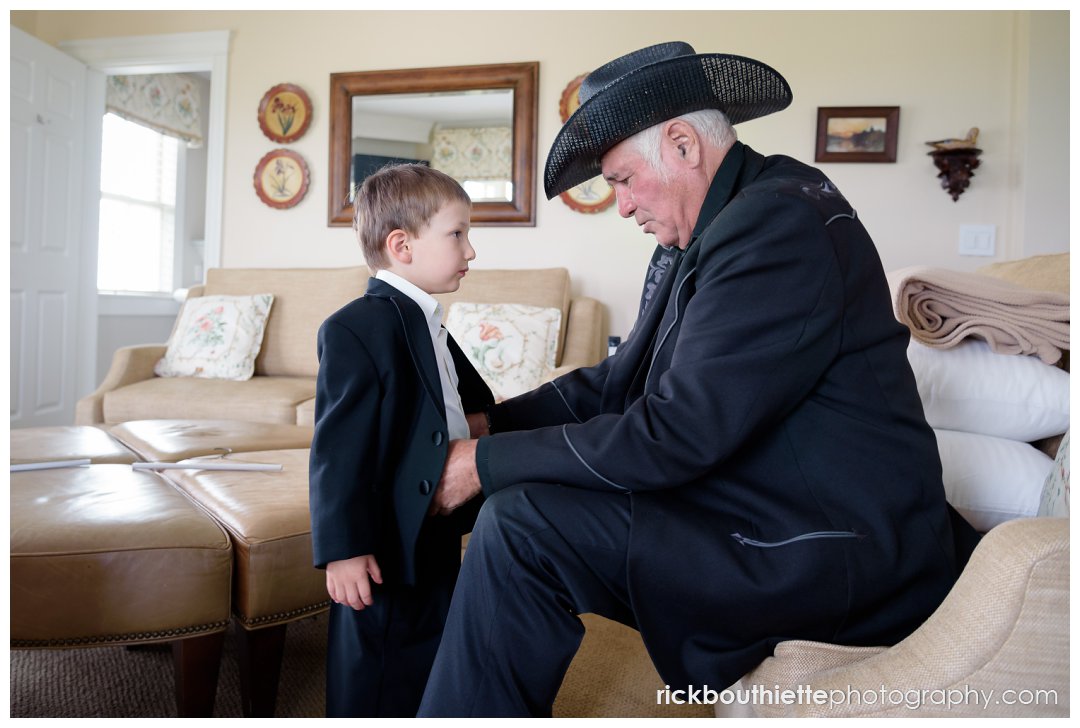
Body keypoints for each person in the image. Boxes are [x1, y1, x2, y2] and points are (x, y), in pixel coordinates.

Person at [417, 42, 980, 717]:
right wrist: (491, 427)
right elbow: (619, 381)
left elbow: (678, 432)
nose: (622, 206)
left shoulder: (778, 225)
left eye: (624, 180)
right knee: (500, 496)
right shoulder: (719, 224)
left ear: (683, 145)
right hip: (769, 504)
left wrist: (483, 463)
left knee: (522, 522)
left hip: (837, 546)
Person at [308, 164, 494, 717]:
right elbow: (339, 451)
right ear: (402, 246)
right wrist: (343, 549)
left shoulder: (427, 320)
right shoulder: (355, 328)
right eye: (457, 234)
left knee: (428, 639)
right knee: (378, 654)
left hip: (431, 519)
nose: (470, 250)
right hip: (382, 535)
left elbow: (465, 401)